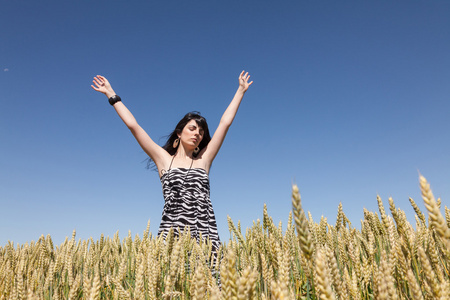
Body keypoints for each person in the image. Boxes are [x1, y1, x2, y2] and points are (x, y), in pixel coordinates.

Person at [91, 71, 253, 251]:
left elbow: (225, 123)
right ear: (179, 132)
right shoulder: (163, 160)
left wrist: (240, 91)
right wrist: (112, 95)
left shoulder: (204, 160)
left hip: (206, 237)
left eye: (201, 132)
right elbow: (133, 126)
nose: (197, 134)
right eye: (192, 128)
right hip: (172, 238)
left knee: (211, 279)